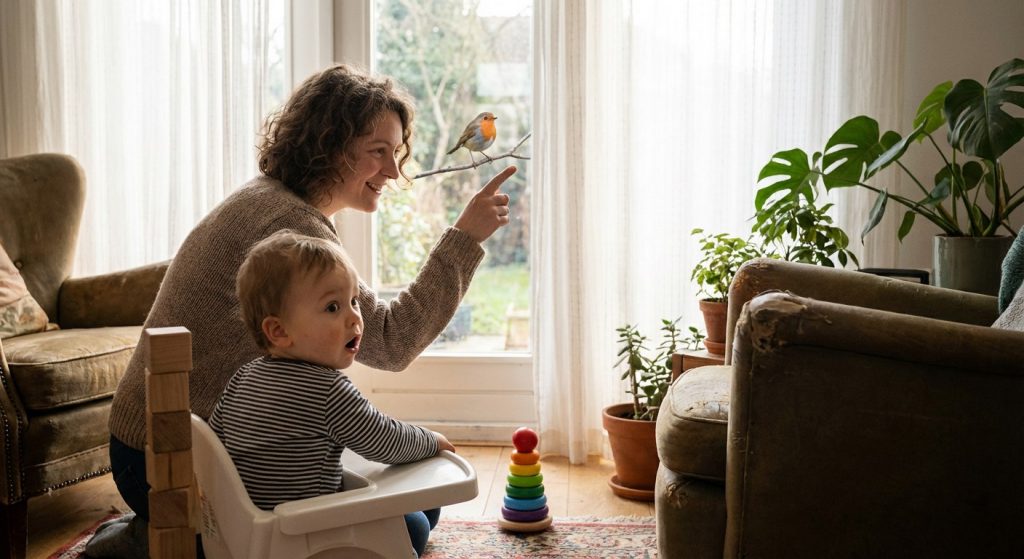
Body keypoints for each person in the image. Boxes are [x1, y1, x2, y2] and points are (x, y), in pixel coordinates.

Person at [86, 64, 514, 558]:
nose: (394, 172)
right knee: (410, 525)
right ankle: (152, 540)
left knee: (409, 504)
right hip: (171, 467)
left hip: (162, 449)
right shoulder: (290, 223)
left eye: (396, 153)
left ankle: (158, 535)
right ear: (331, 145)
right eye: (378, 151)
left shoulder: (271, 201)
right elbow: (391, 342)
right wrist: (464, 239)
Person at [210, 230, 454, 556]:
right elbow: (385, 440)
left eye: (354, 301)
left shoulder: (243, 377)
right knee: (418, 524)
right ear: (279, 330)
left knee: (421, 507)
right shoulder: (327, 390)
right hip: (310, 533)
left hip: (250, 531)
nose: (354, 317)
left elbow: (216, 445)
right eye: (332, 307)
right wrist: (430, 441)